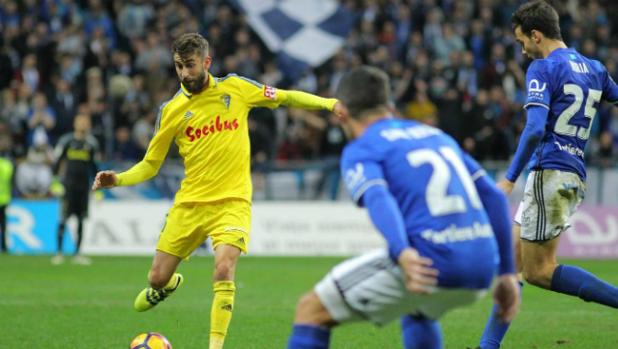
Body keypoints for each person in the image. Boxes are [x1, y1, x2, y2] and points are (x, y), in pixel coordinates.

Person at [91, 33, 344, 349]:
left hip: (232, 202)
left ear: (206, 62)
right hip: (190, 205)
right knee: (156, 277)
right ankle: (164, 287)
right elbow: (150, 165)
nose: (184, 73)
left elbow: (285, 96)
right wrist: (119, 179)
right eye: (179, 67)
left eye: (190, 65)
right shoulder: (171, 110)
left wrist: (329, 103)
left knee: (224, 268)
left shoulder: (236, 88)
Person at [286, 66, 520, 349]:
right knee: (417, 310)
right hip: (482, 265)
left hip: (432, 262)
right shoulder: (434, 135)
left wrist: (402, 252)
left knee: (310, 310)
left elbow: (378, 197)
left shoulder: (362, 147)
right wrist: (507, 273)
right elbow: (494, 198)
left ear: (343, 112)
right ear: (389, 104)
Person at [479, 2, 618, 348]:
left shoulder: (543, 67)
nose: (522, 48)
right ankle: (487, 346)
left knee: (539, 271)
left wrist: (510, 177)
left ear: (535, 35)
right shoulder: (594, 68)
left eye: (521, 41)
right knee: (512, 264)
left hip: (550, 172)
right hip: (572, 173)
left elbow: (535, 128)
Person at [51, 114, 99, 265]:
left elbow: (93, 167)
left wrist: (98, 188)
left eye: (86, 121)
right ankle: (58, 253)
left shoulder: (91, 144)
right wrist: (55, 182)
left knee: (80, 220)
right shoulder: (67, 141)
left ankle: (77, 254)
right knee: (63, 219)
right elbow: (57, 162)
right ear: (75, 123)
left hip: (83, 188)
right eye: (81, 121)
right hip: (68, 187)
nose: (83, 124)